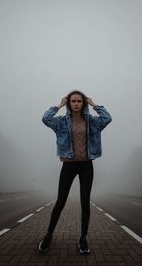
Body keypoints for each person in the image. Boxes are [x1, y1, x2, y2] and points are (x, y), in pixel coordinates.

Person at [38, 90, 112, 254]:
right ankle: (49, 235)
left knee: (85, 202)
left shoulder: (92, 121)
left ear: (83, 104)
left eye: (79, 101)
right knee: (60, 202)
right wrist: (59, 105)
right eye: (73, 101)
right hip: (69, 166)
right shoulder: (61, 122)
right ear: (69, 104)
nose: (76, 103)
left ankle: (83, 238)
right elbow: (45, 118)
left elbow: (107, 118)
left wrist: (94, 104)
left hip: (86, 166)